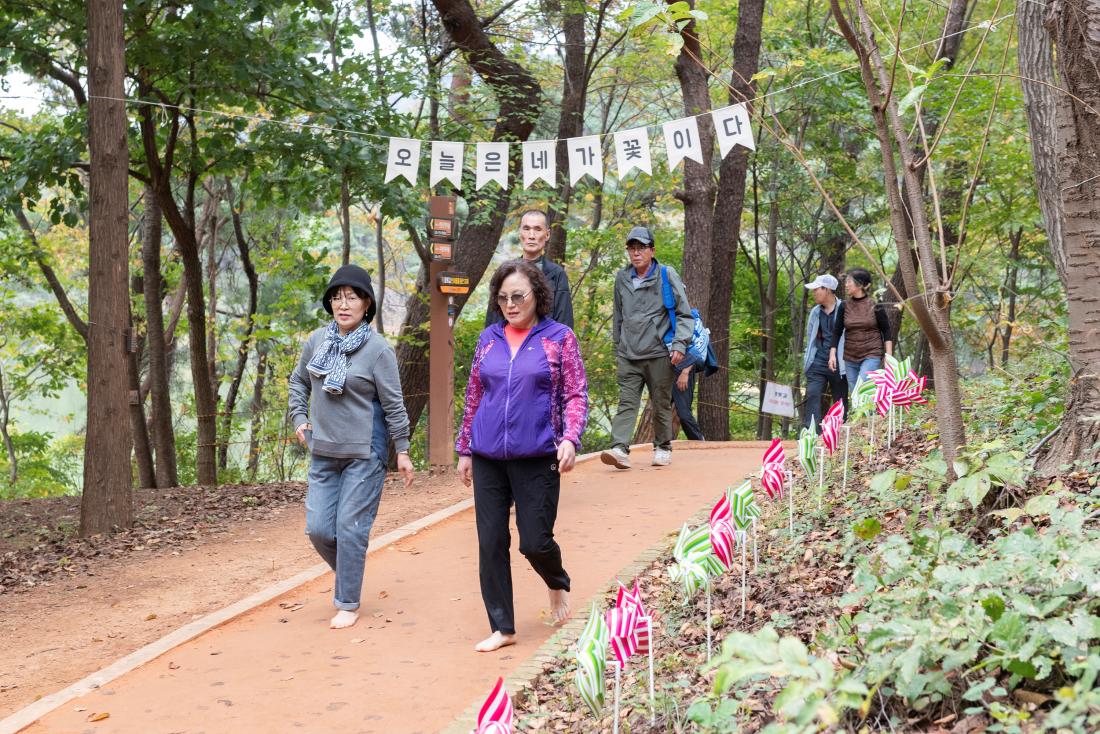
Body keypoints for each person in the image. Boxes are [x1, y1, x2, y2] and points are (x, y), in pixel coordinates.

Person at [456, 259, 588, 653]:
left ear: (537, 296)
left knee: (534, 541)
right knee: (490, 540)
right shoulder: (489, 339)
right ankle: (503, 626)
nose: (510, 304)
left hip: (537, 453)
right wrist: (465, 448)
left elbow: (575, 393)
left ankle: (556, 582)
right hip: (488, 455)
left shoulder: (559, 337)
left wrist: (570, 438)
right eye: (502, 298)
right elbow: (474, 396)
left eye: (518, 296)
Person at [288, 264, 414, 630]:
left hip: (365, 453)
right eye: (336, 297)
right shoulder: (317, 342)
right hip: (323, 450)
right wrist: (300, 419)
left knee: (350, 528)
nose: (343, 304)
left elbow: (394, 403)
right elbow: (299, 384)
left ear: (366, 304)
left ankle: (347, 601)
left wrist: (402, 450)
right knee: (319, 530)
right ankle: (349, 570)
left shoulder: (378, 351)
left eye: (352, 297)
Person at [600, 226, 693, 469]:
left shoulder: (666, 274)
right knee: (627, 402)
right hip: (628, 354)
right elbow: (618, 316)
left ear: (652, 250)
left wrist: (681, 344)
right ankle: (619, 448)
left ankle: (663, 446)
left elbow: (684, 314)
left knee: (660, 402)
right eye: (632, 248)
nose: (636, 252)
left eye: (641, 247)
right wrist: (618, 348)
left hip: (659, 353)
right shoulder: (622, 278)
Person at [484, 209, 574, 329]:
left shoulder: (556, 274)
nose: (531, 236)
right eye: (526, 229)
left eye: (537, 229)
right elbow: (493, 319)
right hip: (509, 344)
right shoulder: (505, 272)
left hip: (544, 344)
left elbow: (564, 321)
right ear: (519, 233)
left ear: (547, 235)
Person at [829, 267, 894, 387]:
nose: (846, 285)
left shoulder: (875, 305)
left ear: (860, 285)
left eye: (849, 281)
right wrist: (832, 355)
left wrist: (888, 356)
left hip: (871, 354)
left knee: (862, 389)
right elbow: (837, 332)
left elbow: (886, 330)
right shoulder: (844, 306)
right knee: (855, 396)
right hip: (850, 357)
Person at [802, 274, 848, 431]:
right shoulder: (815, 312)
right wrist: (808, 361)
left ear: (827, 290)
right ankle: (812, 433)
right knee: (813, 394)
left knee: (840, 401)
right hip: (818, 362)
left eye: (817, 289)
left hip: (839, 363)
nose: (814, 293)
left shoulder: (844, 309)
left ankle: (838, 434)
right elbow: (810, 339)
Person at [672, 355, 705, 441]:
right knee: (659, 411)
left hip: (682, 369)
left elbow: (696, 353)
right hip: (663, 369)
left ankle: (698, 440)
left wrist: (685, 371)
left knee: (684, 413)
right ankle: (664, 442)